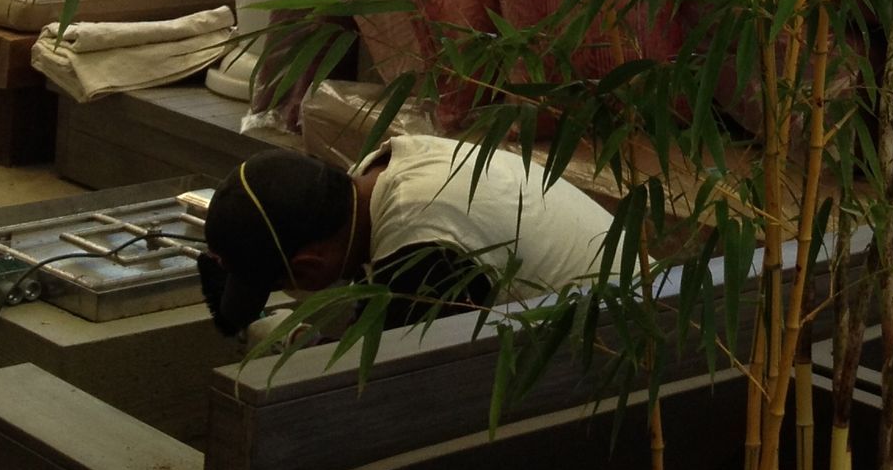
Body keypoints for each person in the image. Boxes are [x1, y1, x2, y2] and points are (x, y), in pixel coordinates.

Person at [197, 135, 613, 337]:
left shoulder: (423, 247)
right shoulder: (374, 179)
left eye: (280, 284)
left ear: (308, 268)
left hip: (626, 352)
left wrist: (292, 342)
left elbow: (392, 383)